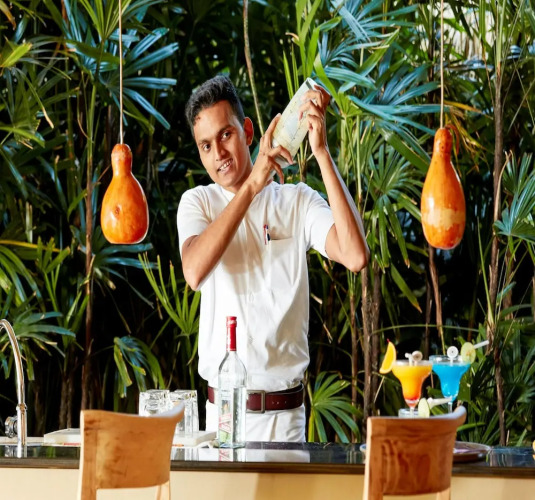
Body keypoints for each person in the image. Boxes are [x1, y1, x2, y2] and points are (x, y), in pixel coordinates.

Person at [177, 75, 369, 442]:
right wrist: (253, 184)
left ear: (247, 131)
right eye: (205, 145)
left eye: (225, 135)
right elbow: (194, 272)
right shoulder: (198, 203)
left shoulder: (297, 200)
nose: (218, 154)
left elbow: (355, 255)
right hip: (222, 417)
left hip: (286, 421)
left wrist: (321, 152)